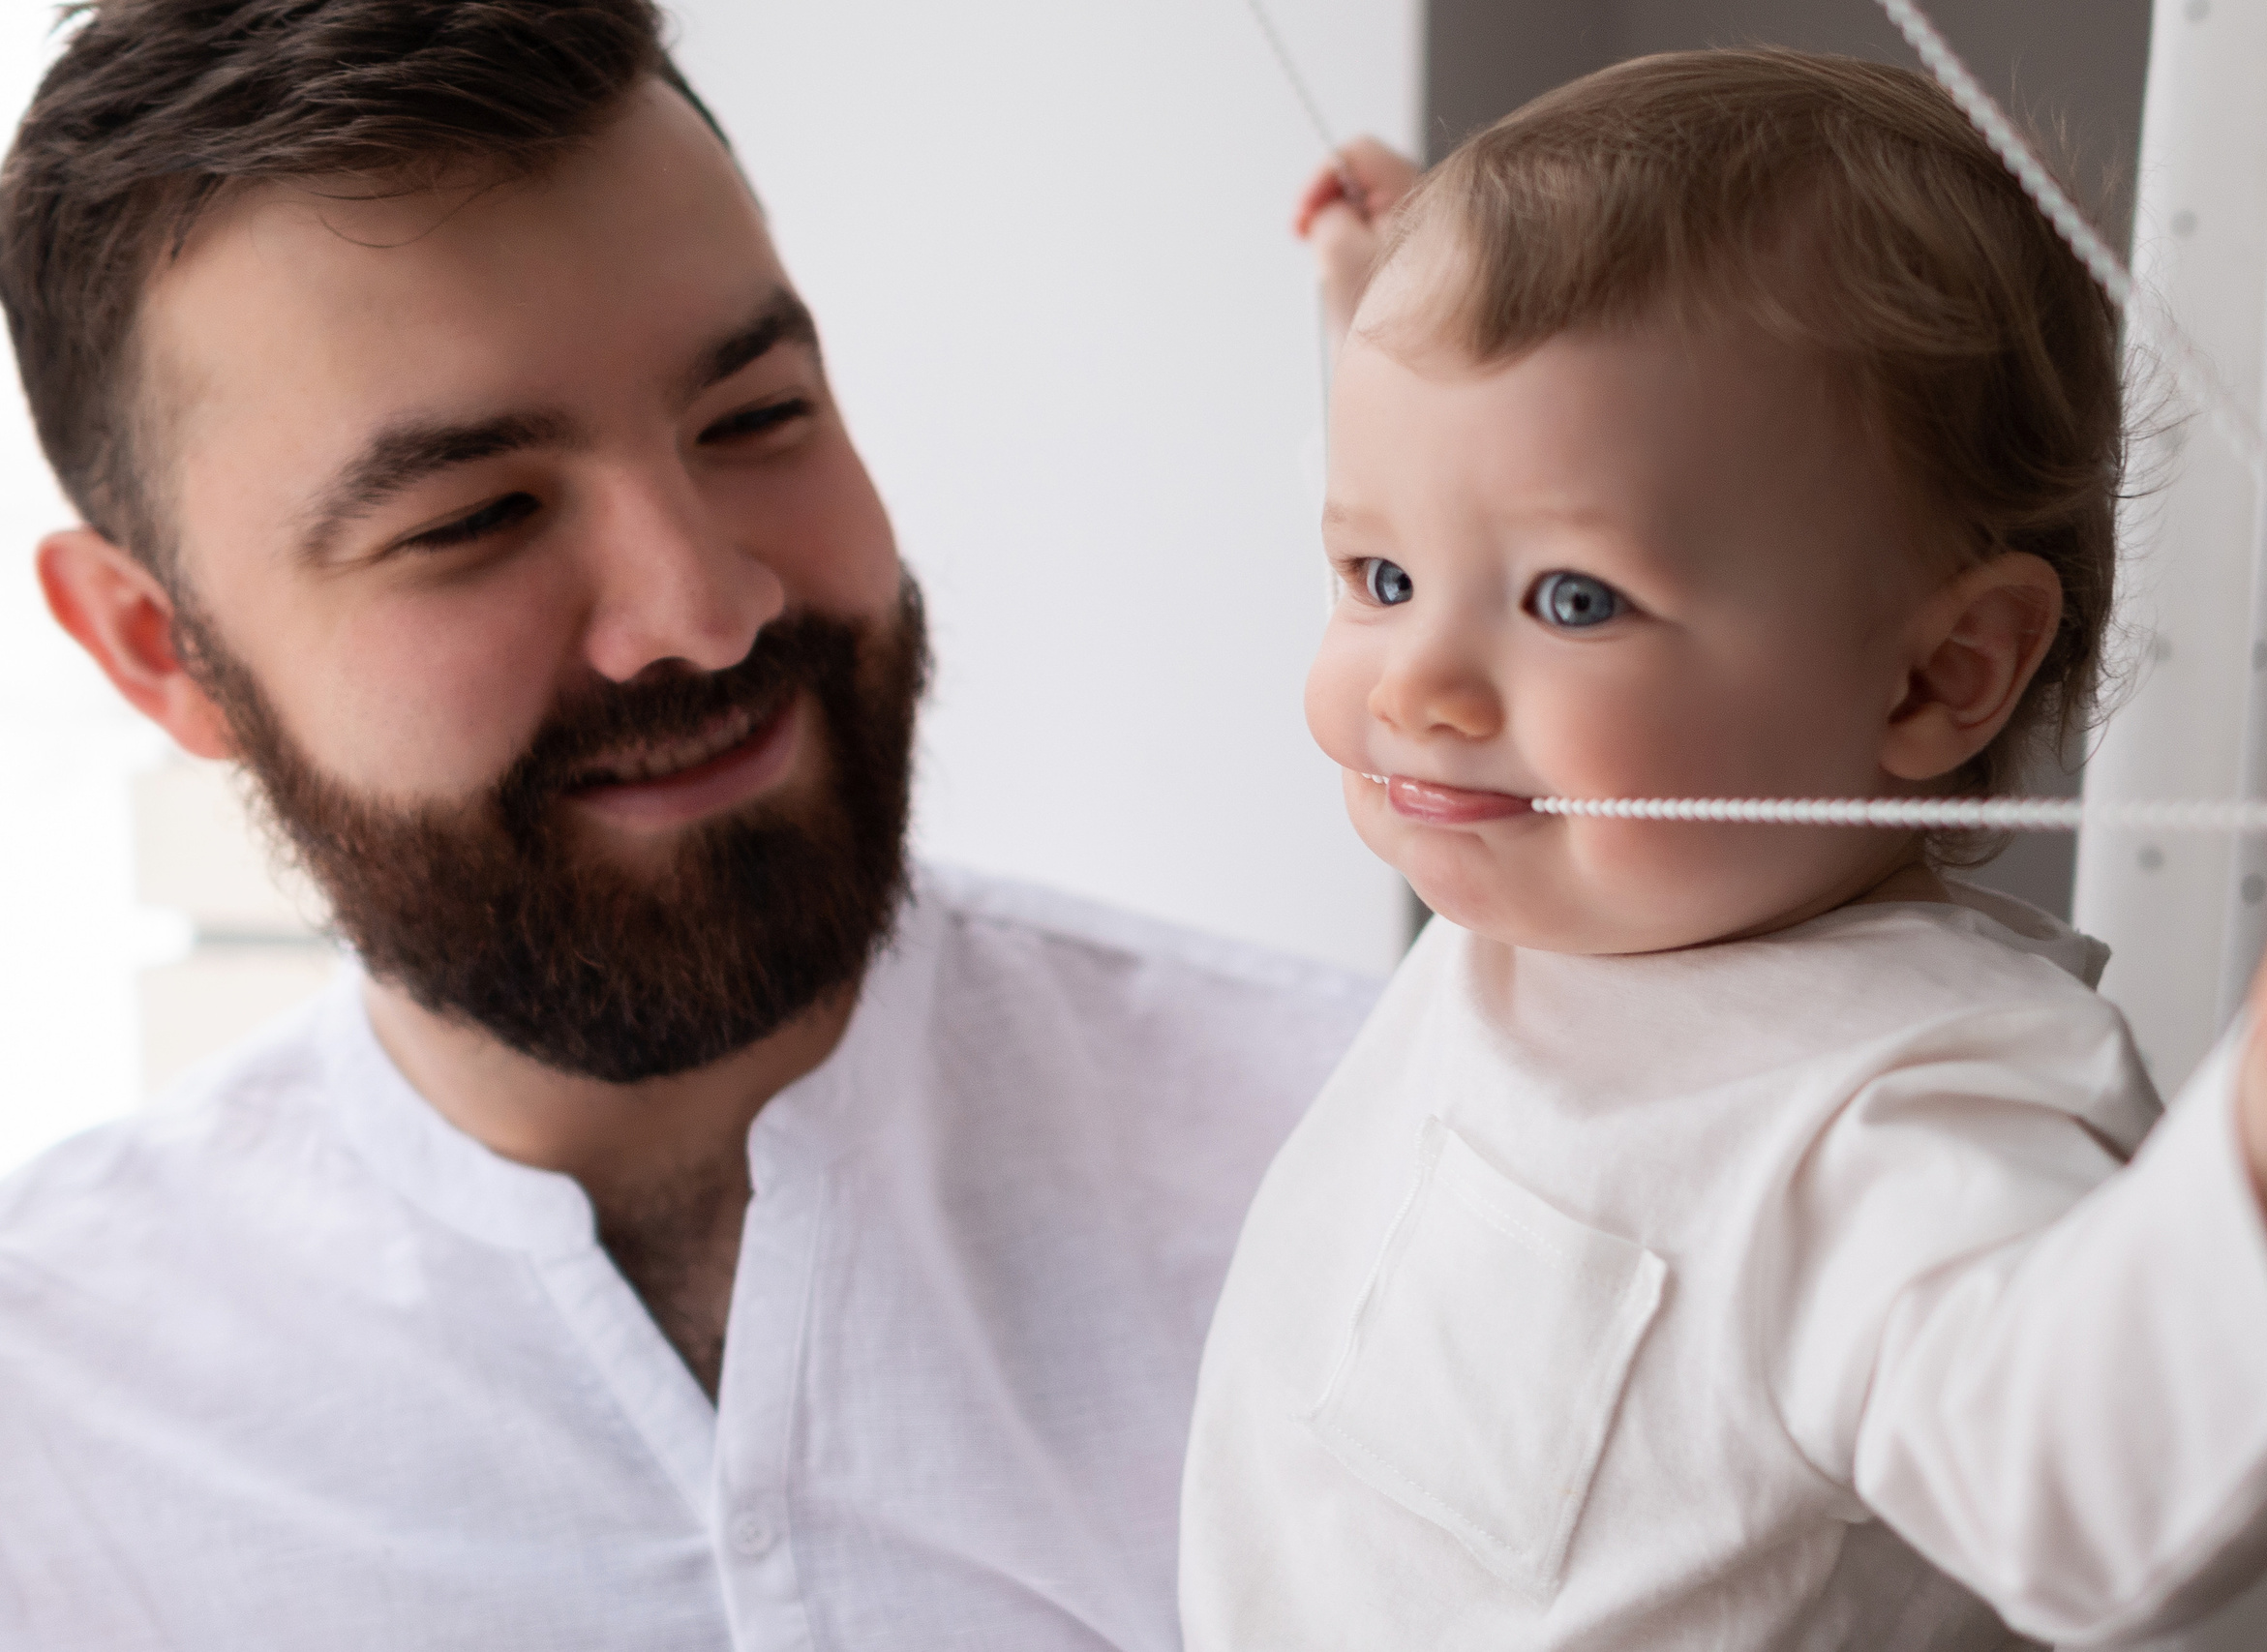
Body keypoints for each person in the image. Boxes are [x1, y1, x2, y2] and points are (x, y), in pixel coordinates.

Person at [0, 3, 1375, 1645]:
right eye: (475, 517)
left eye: (754, 419)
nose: (708, 611)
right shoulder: (47, 1427)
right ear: (159, 651)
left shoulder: (1388, 1172)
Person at [1180, 51, 2267, 1651]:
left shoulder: (1904, 1111)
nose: (1418, 691)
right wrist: (1391, 299)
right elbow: (1500, 474)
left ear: (1937, 677)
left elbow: (2086, 1478)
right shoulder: (1578, 896)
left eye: (1573, 601)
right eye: (1377, 580)